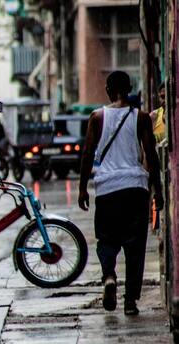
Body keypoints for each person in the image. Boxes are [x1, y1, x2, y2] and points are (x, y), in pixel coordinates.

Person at [78, 71, 163, 316]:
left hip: (107, 189)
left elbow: (87, 154)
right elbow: (151, 155)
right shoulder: (141, 117)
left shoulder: (97, 117)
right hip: (135, 188)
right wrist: (157, 191)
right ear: (130, 89)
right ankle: (130, 302)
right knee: (135, 248)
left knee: (106, 241)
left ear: (107, 90)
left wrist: (83, 188)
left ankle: (108, 277)